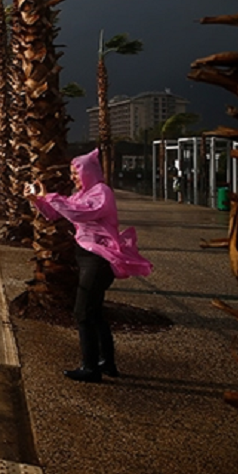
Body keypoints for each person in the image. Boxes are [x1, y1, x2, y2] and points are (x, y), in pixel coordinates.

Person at [25, 149, 152, 382]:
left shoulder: (101, 193)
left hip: (99, 260)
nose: (73, 177)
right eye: (72, 173)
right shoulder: (81, 194)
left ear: (88, 172)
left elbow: (81, 213)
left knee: (82, 312)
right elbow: (55, 214)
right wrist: (38, 201)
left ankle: (90, 367)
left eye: (75, 172)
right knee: (94, 312)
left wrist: (51, 196)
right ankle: (107, 362)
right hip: (87, 257)